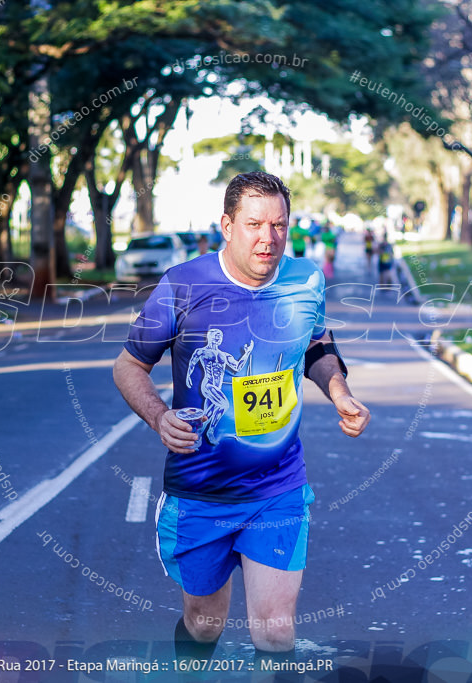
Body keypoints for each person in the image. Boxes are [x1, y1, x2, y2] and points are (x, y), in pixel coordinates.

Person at [113, 171, 371, 669]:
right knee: (203, 624)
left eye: (278, 225)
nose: (268, 238)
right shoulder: (182, 286)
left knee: (275, 631)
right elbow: (129, 365)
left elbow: (316, 343)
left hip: (278, 487)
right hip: (200, 489)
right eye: (255, 224)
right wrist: (159, 416)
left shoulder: (306, 280)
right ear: (228, 226)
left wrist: (338, 389)